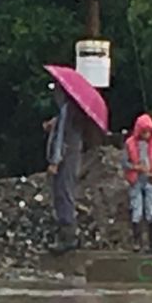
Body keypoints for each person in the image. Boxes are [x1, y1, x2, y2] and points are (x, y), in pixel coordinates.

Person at [46, 88, 93, 254]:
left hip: (67, 158)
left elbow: (61, 140)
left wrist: (55, 161)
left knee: (63, 193)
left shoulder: (67, 110)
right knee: (66, 192)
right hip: (73, 155)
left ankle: (68, 236)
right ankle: (69, 235)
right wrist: (55, 122)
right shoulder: (75, 111)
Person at [124, 113, 152, 252]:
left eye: (148, 132)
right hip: (135, 180)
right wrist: (136, 167)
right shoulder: (129, 143)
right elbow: (124, 162)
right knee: (137, 209)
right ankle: (137, 242)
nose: (146, 135)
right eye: (143, 132)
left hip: (151, 180)